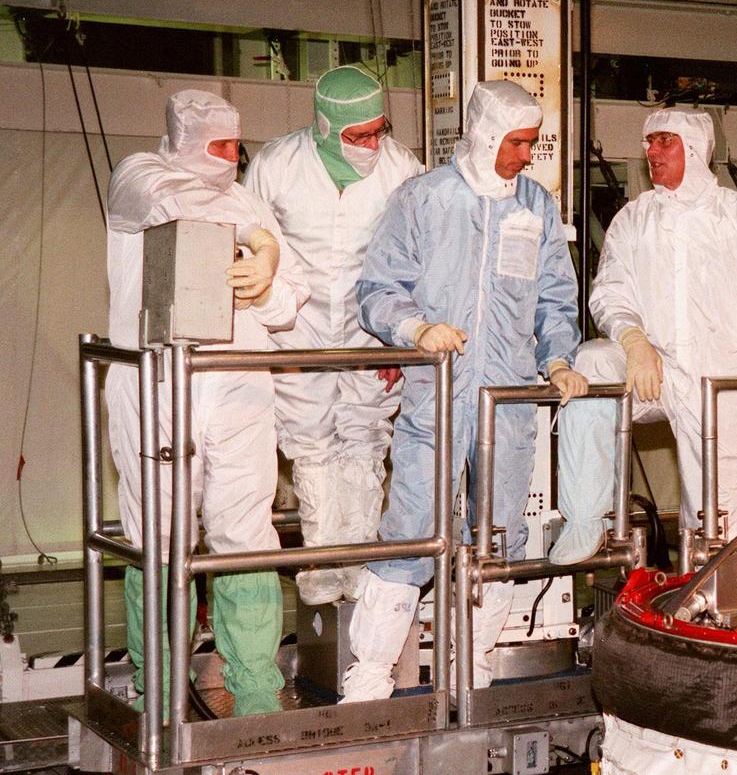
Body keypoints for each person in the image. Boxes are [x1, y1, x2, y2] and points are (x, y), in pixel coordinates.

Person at [339, 80, 588, 702]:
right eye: (518, 142)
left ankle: (471, 668)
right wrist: (416, 328)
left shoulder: (536, 205)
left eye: (531, 143)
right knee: (411, 529)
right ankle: (369, 674)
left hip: (507, 401)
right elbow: (377, 290)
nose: (527, 155)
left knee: (500, 536)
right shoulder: (423, 200)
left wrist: (558, 360)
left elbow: (557, 297)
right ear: (483, 136)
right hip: (438, 396)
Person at [551, 108, 737, 565]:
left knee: (715, 523)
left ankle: (713, 604)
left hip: (721, 381)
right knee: (592, 362)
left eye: (664, 141)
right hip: (652, 369)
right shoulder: (635, 219)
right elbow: (610, 292)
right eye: (648, 142)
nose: (651, 151)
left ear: (693, 149)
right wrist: (634, 341)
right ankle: (585, 518)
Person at [105, 89, 309, 716]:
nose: (228, 158)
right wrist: (259, 241)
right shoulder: (139, 174)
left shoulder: (247, 197)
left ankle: (254, 693)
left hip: (240, 387)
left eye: (234, 147)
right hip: (160, 389)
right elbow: (181, 202)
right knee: (159, 537)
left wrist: (266, 283)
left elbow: (291, 298)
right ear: (185, 140)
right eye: (216, 146)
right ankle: (158, 693)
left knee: (245, 536)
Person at [245, 64, 425, 606]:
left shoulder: (401, 167)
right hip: (296, 327)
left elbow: (423, 256)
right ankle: (323, 561)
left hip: (372, 329)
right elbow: (247, 244)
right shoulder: (278, 165)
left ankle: (361, 560)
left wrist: (405, 339)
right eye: (357, 135)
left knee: (366, 439)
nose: (372, 143)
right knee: (311, 442)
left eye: (379, 129)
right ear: (325, 127)